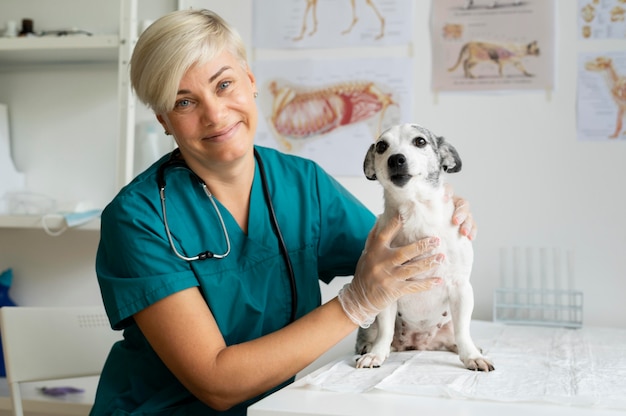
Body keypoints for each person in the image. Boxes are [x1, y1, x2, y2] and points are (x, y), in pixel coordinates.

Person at [91, 8, 477, 416]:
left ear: (251, 82)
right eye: (184, 102)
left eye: (224, 84)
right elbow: (216, 384)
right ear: (164, 120)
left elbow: (396, 264)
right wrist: (354, 303)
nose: (215, 114)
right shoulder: (137, 219)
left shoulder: (302, 183)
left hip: (280, 406)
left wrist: (435, 217)